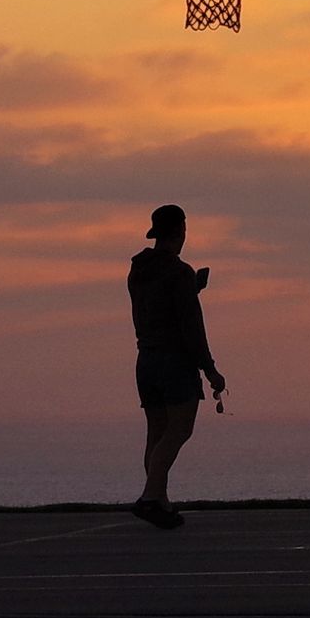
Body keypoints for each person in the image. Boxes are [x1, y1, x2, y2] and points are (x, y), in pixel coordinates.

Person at [127, 203, 225, 526]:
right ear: (180, 231)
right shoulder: (179, 273)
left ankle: (160, 502)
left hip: (146, 361)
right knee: (180, 429)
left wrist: (191, 288)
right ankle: (151, 497)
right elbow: (191, 327)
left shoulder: (139, 271)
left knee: (157, 432)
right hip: (174, 363)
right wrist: (210, 370)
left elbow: (159, 304)